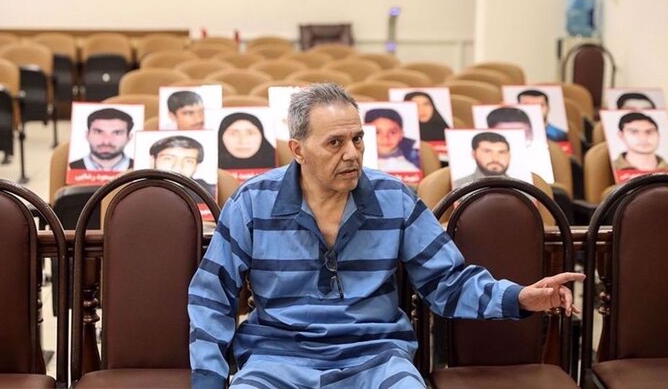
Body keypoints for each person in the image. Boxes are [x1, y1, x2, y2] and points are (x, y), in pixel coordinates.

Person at [188, 83, 584, 389]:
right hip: (276, 359)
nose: (352, 153)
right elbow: (211, 293)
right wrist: (208, 378)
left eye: (357, 139)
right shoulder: (253, 202)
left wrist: (519, 297)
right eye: (335, 142)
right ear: (298, 150)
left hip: (376, 358)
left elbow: (447, 281)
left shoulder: (393, 197)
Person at [148, 135, 215, 196]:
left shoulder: (208, 193)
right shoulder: (143, 190)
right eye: (168, 158)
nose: (178, 167)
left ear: (197, 166)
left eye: (188, 161)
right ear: (153, 161)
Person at [69, 108, 134, 170]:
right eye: (99, 132)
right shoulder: (70, 167)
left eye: (117, 133)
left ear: (129, 137)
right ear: (87, 135)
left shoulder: (138, 168)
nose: (106, 141)